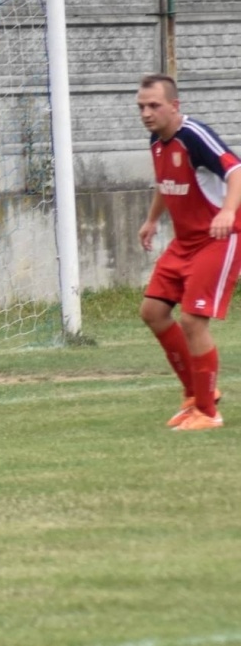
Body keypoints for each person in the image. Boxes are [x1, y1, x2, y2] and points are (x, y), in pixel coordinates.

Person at [136, 73, 241, 431]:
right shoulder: (157, 140)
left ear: (174, 106)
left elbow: (236, 170)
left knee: (193, 321)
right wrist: (151, 221)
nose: (147, 113)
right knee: (152, 311)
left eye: (154, 105)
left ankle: (209, 415)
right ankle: (197, 397)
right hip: (184, 242)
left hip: (218, 238)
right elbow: (166, 183)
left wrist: (228, 211)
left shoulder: (194, 135)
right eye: (142, 107)